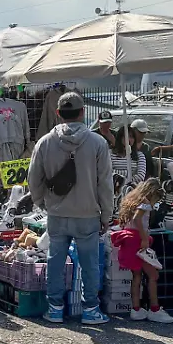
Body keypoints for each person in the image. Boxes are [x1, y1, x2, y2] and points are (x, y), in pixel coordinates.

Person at [28, 92, 114, 325]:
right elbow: (105, 183)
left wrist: (41, 202)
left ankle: (55, 308)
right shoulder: (98, 143)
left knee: (55, 260)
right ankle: (90, 310)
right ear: (83, 112)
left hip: (56, 212)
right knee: (89, 264)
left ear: (57, 113)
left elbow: (33, 177)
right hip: (87, 213)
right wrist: (107, 214)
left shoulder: (45, 142)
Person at [112, 179, 172, 323]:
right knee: (153, 275)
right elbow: (138, 219)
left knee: (137, 276)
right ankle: (155, 309)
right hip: (138, 241)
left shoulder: (132, 199)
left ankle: (136, 309)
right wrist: (145, 238)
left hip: (129, 241)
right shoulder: (145, 201)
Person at [110, 120, 148, 191]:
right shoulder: (110, 154)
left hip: (132, 190)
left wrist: (122, 178)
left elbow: (140, 177)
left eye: (131, 137)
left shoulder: (140, 156)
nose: (129, 139)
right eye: (126, 137)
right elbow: (109, 173)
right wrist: (128, 173)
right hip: (113, 189)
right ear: (120, 138)